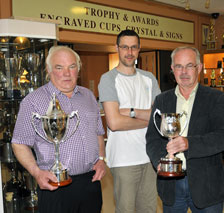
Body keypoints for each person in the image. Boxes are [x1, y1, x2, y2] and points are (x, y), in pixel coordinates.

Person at [11, 46, 106, 213]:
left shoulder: (88, 96)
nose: (67, 73)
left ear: (79, 68)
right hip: (55, 186)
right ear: (48, 70)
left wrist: (101, 159)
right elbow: (19, 143)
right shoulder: (33, 101)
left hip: (90, 183)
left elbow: (98, 132)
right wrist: (36, 172)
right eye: (59, 67)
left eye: (72, 66)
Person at [146, 46, 224, 213]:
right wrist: (161, 163)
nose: (184, 71)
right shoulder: (162, 100)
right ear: (172, 69)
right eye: (178, 66)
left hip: (206, 186)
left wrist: (188, 143)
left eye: (189, 65)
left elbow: (223, 137)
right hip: (171, 186)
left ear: (199, 68)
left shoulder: (216, 98)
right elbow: (152, 139)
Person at [98, 29, 160, 213]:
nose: (129, 52)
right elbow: (114, 123)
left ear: (139, 49)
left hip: (150, 155)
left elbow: (159, 117)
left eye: (134, 47)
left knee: (149, 209)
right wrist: (148, 118)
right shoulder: (108, 79)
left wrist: (131, 112)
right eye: (125, 47)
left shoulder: (149, 78)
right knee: (125, 209)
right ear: (117, 48)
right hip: (124, 159)